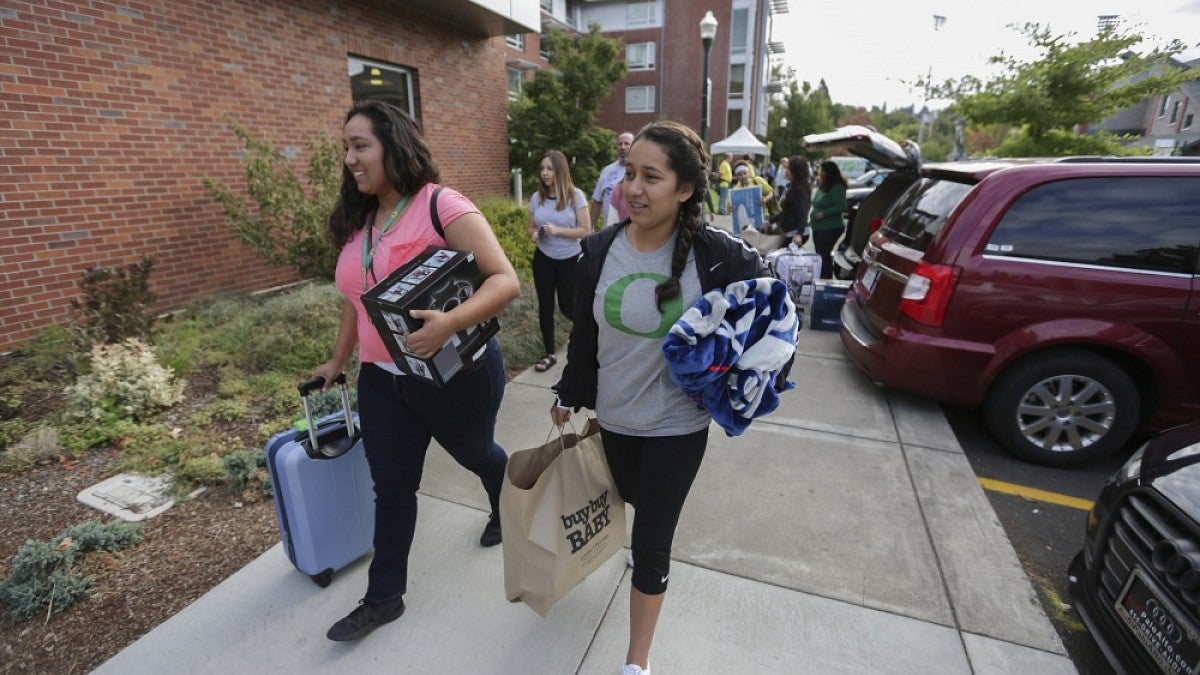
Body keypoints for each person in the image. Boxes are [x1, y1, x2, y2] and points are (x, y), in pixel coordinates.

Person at [550, 120, 768, 675]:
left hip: (678, 426)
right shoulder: (599, 249)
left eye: (651, 176)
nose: (634, 189)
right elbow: (586, 336)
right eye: (629, 175)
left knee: (651, 545)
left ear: (685, 189)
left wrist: (737, 376)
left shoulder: (717, 256)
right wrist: (569, 394)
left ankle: (635, 664)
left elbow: (771, 308)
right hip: (616, 419)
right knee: (632, 500)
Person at [311, 100, 521, 642]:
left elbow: (504, 281)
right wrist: (338, 360)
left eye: (361, 146)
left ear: (393, 145)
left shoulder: (441, 206)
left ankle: (507, 502)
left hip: (455, 374)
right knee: (393, 489)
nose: (351, 159)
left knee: (476, 452)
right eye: (346, 149)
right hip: (381, 380)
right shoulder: (358, 220)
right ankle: (384, 599)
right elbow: (355, 301)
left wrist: (450, 321)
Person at [528, 150, 588, 372]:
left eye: (549, 168)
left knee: (568, 307)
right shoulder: (537, 198)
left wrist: (556, 230)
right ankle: (549, 353)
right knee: (545, 306)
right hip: (543, 259)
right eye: (542, 168)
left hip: (570, 260)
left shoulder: (575, 196)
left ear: (560, 170)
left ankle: (589, 335)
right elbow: (530, 227)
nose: (544, 173)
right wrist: (534, 234)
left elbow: (585, 230)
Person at [810, 159, 849, 280]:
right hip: (819, 227)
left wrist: (825, 213)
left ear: (829, 173)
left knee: (824, 256)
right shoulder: (823, 185)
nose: (820, 173)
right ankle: (821, 277)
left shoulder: (837, 187)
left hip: (830, 228)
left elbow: (842, 206)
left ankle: (825, 280)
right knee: (820, 255)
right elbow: (816, 202)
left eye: (822, 171)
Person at [591, 131, 635, 229]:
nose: (622, 147)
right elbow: (597, 201)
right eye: (620, 144)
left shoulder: (639, 170)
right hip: (609, 231)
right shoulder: (607, 171)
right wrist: (590, 227)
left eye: (627, 144)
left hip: (632, 230)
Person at [768, 155, 811, 245]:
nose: (785, 171)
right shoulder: (792, 186)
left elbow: (802, 212)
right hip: (789, 231)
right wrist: (770, 221)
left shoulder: (801, 189)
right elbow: (786, 211)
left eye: (788, 169)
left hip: (795, 233)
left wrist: (799, 233)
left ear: (796, 171)